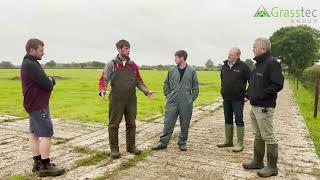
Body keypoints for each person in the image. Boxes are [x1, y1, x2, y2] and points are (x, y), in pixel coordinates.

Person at [98, 39, 154, 159]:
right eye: (126, 48)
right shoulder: (111, 64)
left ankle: (131, 147)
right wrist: (102, 90)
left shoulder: (133, 65)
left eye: (129, 48)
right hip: (116, 99)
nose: (128, 50)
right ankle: (114, 150)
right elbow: (104, 79)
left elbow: (139, 81)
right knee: (114, 125)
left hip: (131, 99)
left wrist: (146, 91)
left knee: (131, 124)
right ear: (119, 49)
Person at [20, 38, 65, 177]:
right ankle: (45, 166)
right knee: (46, 134)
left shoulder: (28, 63)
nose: (43, 53)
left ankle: (38, 162)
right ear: (31, 50)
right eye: (41, 50)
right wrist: (51, 80)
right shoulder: (31, 64)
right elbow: (47, 84)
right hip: (39, 105)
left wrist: (47, 80)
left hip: (32, 104)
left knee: (34, 134)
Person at [242, 38, 284, 177]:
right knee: (258, 134)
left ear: (263, 49)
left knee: (268, 136)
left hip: (265, 106)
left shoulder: (272, 63)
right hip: (254, 106)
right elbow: (253, 83)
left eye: (255, 46)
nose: (253, 48)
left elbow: (277, 84)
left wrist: (261, 95)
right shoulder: (258, 64)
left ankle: (272, 167)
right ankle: (257, 161)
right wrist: (248, 94)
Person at [152, 50, 199, 151]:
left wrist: (191, 99)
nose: (175, 59)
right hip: (172, 101)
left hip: (186, 102)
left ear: (182, 58)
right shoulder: (171, 70)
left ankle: (182, 142)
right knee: (168, 122)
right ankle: (163, 142)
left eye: (176, 57)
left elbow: (195, 86)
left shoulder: (192, 71)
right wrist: (168, 95)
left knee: (185, 123)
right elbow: (166, 84)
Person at [217, 47, 250, 152]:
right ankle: (228, 141)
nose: (229, 55)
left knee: (239, 120)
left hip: (238, 99)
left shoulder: (244, 66)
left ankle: (240, 143)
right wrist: (223, 91)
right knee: (227, 119)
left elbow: (252, 81)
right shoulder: (224, 66)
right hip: (226, 98)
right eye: (229, 53)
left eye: (231, 54)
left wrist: (247, 95)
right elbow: (223, 80)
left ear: (238, 55)